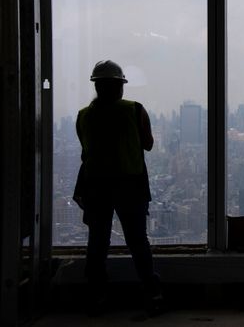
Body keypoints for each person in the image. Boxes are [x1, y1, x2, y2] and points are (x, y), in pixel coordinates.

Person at [74, 60, 162, 315]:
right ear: (120, 86)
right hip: (129, 185)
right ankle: (152, 292)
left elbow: (86, 148)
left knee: (97, 241)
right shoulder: (134, 110)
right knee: (137, 241)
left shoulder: (84, 115)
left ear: (97, 86)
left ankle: (96, 294)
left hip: (95, 185)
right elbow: (148, 144)